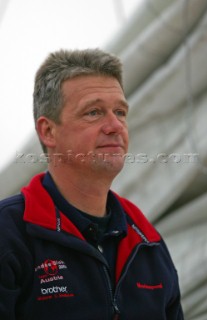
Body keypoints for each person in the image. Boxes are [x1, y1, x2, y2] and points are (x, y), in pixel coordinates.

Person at [0, 48, 184, 320]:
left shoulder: (149, 244)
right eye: (94, 112)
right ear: (48, 131)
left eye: (120, 112)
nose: (115, 126)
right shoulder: (8, 234)